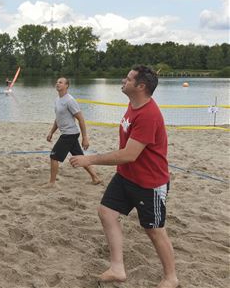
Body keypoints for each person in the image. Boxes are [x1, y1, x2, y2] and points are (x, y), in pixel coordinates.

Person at [70, 66, 178, 288]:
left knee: (154, 230)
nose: (123, 80)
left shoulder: (149, 114)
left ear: (140, 86)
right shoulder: (134, 104)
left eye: (128, 79)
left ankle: (171, 278)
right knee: (106, 212)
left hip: (150, 182)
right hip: (127, 176)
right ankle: (117, 268)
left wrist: (89, 160)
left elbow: (129, 154)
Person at [44, 77, 101, 187]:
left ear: (67, 86)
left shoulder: (70, 100)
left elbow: (81, 119)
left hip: (69, 134)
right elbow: (58, 118)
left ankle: (52, 183)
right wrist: (51, 132)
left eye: (60, 82)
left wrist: (85, 138)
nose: (58, 84)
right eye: (57, 82)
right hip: (67, 133)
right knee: (80, 157)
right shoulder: (57, 100)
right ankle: (95, 177)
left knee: (54, 156)